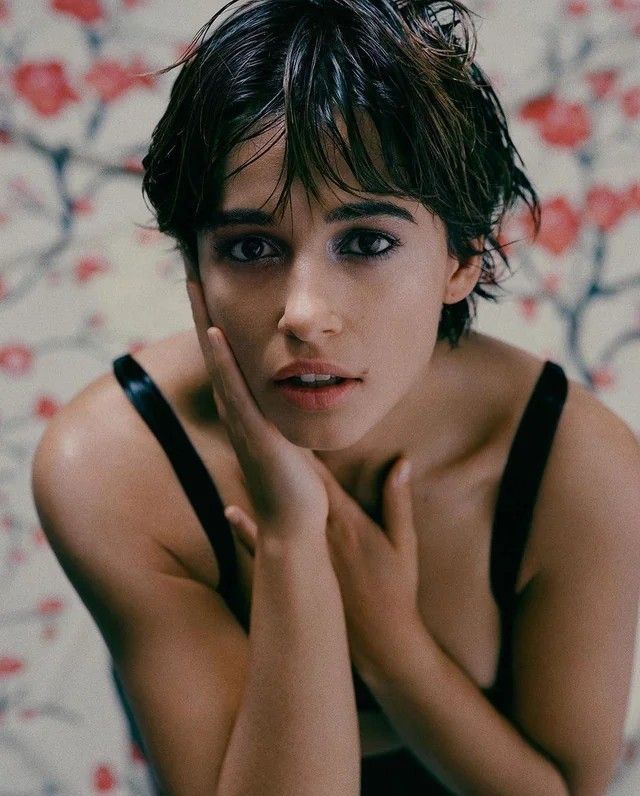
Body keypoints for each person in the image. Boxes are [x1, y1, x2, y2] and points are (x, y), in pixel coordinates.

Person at [31, 0, 640, 793]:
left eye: (367, 241)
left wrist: (394, 649)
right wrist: (294, 541)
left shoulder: (577, 467)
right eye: (251, 247)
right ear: (194, 269)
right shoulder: (114, 468)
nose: (304, 313)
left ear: (463, 259)